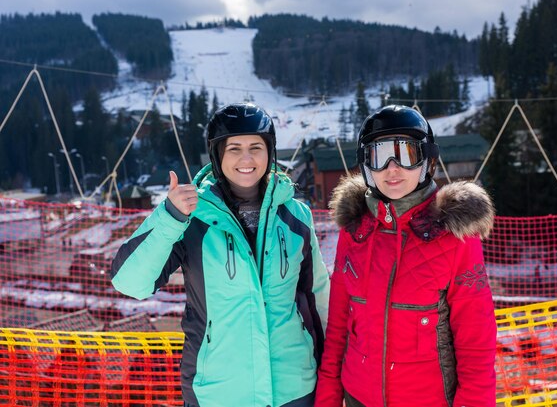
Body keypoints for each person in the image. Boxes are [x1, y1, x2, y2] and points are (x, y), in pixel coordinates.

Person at [110, 103, 330, 407]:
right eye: (234, 149)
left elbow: (319, 298)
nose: (246, 158)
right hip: (220, 392)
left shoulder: (296, 216)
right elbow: (130, 283)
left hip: (295, 388)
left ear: (270, 152)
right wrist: (169, 218)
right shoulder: (192, 218)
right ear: (217, 155)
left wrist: (332, 372)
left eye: (256, 147)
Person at [315, 105, 497, 407]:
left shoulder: (454, 235)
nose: (392, 167)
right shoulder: (354, 231)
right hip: (359, 397)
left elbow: (476, 342)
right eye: (379, 155)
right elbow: (338, 332)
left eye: (406, 154)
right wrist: (328, 399)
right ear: (366, 166)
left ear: (427, 161)